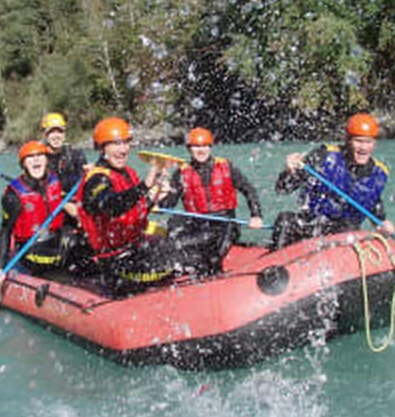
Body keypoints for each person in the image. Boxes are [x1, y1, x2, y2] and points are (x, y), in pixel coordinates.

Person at [76, 117, 176, 295]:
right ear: (102, 148)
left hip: (135, 249)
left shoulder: (128, 173)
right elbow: (111, 206)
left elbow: (138, 210)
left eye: (126, 143)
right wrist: (144, 186)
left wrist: (157, 194)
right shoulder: (96, 179)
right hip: (115, 263)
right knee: (180, 261)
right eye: (116, 144)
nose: (123, 150)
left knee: (179, 244)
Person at [270, 112, 395, 249]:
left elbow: (373, 203)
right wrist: (289, 171)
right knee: (285, 220)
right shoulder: (323, 156)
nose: (363, 148)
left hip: (343, 234)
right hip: (311, 225)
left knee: (348, 228)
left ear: (374, 143)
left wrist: (382, 223)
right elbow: (282, 189)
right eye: (358, 141)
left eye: (368, 142)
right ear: (347, 139)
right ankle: (275, 260)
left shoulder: (378, 173)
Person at [159, 127, 264, 273]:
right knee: (175, 229)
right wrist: (161, 193)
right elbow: (167, 206)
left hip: (225, 223)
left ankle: (214, 272)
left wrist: (256, 215)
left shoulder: (227, 166)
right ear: (189, 149)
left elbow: (249, 190)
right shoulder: (181, 173)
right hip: (197, 224)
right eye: (196, 146)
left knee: (213, 257)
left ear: (210, 147)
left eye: (204, 146)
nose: (201, 150)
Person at [0, 141, 69, 277]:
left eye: (40, 155)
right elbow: (5, 232)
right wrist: (0, 268)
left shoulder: (56, 180)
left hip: (56, 239)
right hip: (32, 251)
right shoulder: (13, 196)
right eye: (30, 157)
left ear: (47, 160)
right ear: (23, 164)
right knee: (59, 262)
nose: (36, 159)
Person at [41, 112, 88, 192]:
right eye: (52, 132)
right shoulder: (39, 158)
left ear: (64, 135)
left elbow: (84, 182)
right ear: (44, 135)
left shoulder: (76, 155)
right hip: (51, 201)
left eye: (59, 132)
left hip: (74, 199)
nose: (56, 136)